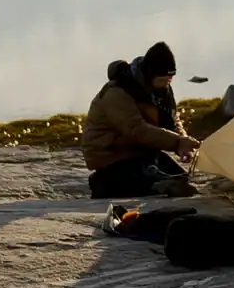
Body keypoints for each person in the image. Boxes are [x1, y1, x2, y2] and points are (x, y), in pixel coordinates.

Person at [82, 40, 200, 199]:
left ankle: (151, 183)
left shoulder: (161, 90)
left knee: (180, 180)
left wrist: (183, 140)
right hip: (112, 156)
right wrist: (177, 142)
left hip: (142, 152)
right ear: (149, 75)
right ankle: (109, 185)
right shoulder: (117, 92)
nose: (166, 84)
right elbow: (136, 129)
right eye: (162, 80)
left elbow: (172, 119)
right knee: (153, 185)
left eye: (169, 80)